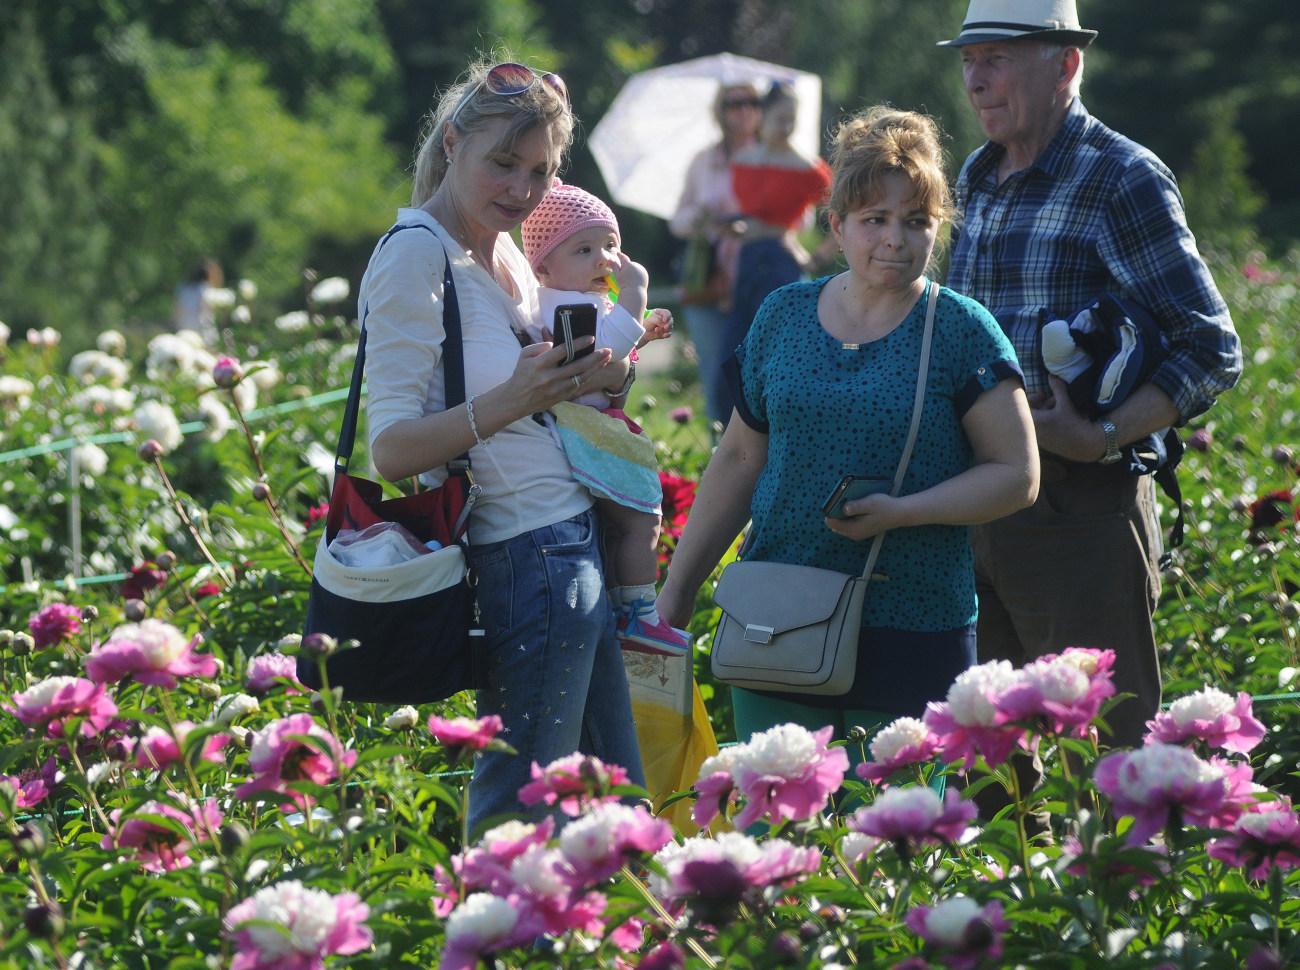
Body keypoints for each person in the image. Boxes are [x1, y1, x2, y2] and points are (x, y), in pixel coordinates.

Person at [656, 105, 1039, 772]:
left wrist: (907, 511)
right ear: (835, 227)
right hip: (777, 614)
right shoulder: (783, 314)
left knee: (900, 844)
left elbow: (1017, 473)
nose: (895, 239)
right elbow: (741, 459)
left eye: (916, 221)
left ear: (938, 228)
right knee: (776, 837)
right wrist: (677, 595)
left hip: (911, 622)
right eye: (875, 220)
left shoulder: (960, 330)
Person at [937, 0, 1242, 757]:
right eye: (970, 59)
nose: (977, 79)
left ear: (1066, 64)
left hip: (1081, 513)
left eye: (999, 58)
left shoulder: (1119, 177)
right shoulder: (976, 177)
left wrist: (1098, 435)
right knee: (997, 772)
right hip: (979, 506)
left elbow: (1212, 346)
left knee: (1111, 761)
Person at [359, 58, 645, 835]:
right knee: (521, 818)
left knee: (615, 814)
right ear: (453, 143)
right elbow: (390, 449)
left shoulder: (509, 253)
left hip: (572, 543)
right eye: (502, 163)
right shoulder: (416, 254)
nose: (521, 190)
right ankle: (488, 950)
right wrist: (518, 397)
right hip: (524, 558)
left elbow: (547, 405)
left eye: (539, 171)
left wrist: (604, 383)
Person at [520, 180, 688, 656]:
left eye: (611, 245)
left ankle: (623, 604)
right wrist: (635, 295)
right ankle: (640, 612)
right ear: (544, 265)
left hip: (585, 425)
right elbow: (600, 355)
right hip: (580, 431)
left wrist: (643, 334)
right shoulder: (563, 306)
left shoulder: (574, 298)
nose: (605, 259)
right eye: (585, 248)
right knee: (642, 521)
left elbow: (613, 350)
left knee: (620, 528)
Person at [716, 81, 835, 425]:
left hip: (781, 264)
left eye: (792, 119)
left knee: (780, 351)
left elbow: (845, 209)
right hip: (747, 261)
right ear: (762, 116)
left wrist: (816, 258)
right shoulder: (744, 161)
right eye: (780, 118)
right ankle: (729, 432)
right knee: (736, 351)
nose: (786, 127)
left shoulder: (805, 167)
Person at [669, 82, 762, 426]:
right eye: (734, 103)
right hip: (709, 280)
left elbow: (798, 219)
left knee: (758, 373)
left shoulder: (771, 157)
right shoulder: (703, 161)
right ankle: (717, 461)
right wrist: (702, 217)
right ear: (720, 111)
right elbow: (677, 221)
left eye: (752, 101)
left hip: (755, 280)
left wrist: (748, 224)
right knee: (715, 373)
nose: (744, 110)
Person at [173, 257, 223, 345]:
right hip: (203, 331)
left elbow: (177, 311)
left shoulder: (184, 288)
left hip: (184, 328)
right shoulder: (206, 290)